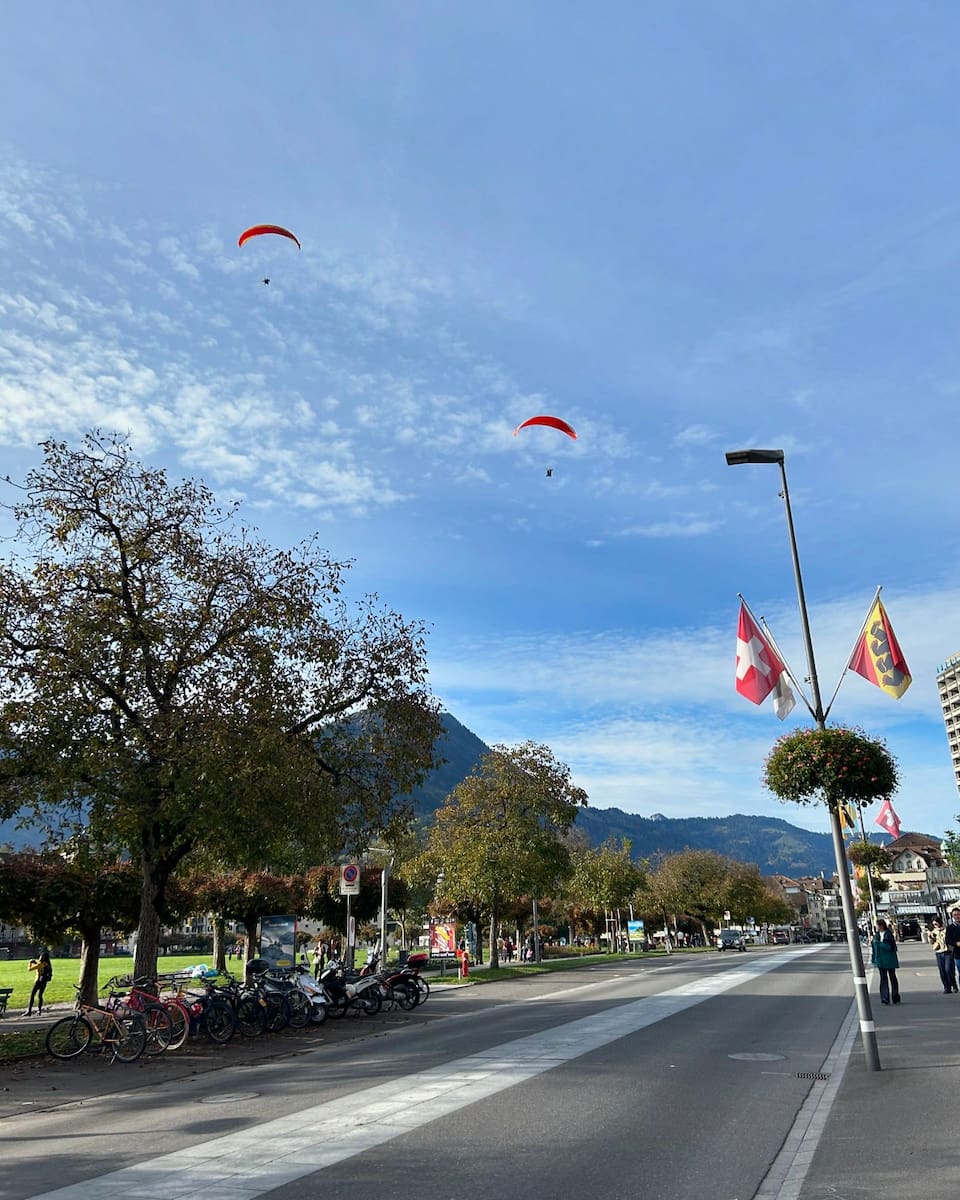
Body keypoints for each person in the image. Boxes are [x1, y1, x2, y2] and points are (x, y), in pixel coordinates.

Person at [871, 919, 900, 1005]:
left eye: (877, 925)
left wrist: (879, 944)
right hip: (881, 960)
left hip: (889, 960)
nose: (876, 927)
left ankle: (895, 996)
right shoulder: (876, 936)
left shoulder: (888, 934)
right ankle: (885, 998)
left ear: (881, 926)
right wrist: (874, 959)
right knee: (883, 979)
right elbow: (874, 949)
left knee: (892, 978)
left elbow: (890, 947)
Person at [929, 918, 957, 994]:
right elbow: (932, 943)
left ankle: (954, 985)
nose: (935, 925)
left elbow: (949, 939)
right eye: (933, 924)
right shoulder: (933, 932)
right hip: (939, 952)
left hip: (947, 952)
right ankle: (947, 987)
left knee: (948, 970)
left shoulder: (946, 930)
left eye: (936, 924)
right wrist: (931, 937)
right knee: (942, 971)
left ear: (939, 923)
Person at [26, 948, 53, 1017]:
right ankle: (39, 1010)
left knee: (32, 995)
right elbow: (41, 966)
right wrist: (36, 963)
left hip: (38, 981)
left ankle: (29, 1011)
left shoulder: (40, 964)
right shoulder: (47, 964)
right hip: (44, 981)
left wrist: (30, 962)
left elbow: (29, 969)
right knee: (40, 996)